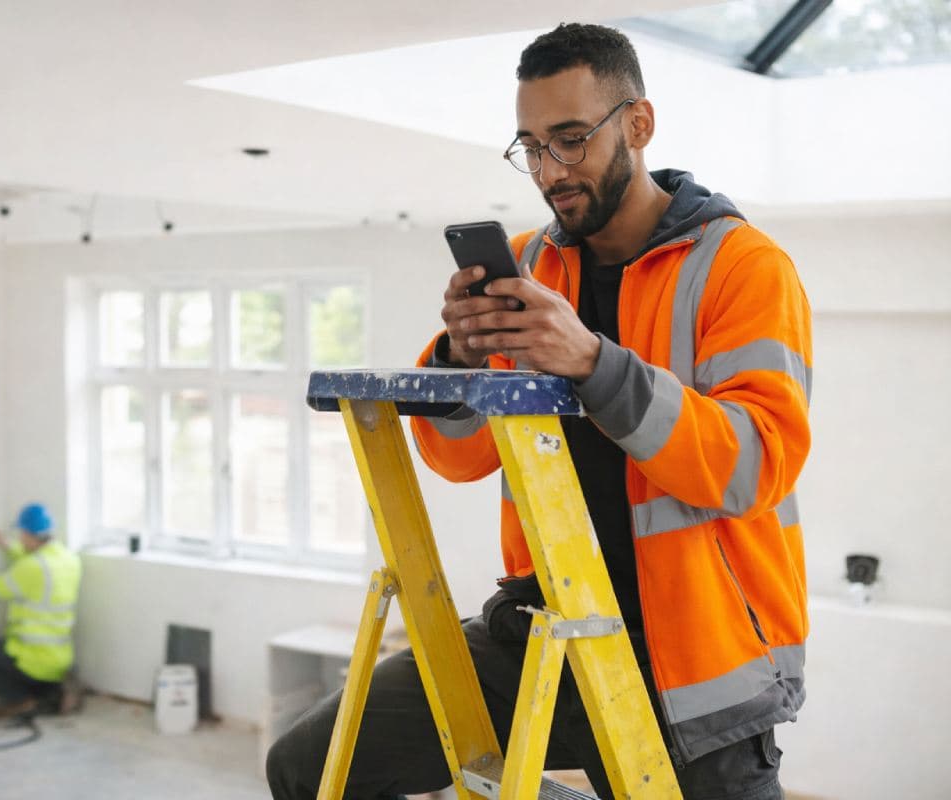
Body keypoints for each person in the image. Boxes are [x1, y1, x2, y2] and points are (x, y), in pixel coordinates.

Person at [267, 22, 811, 800]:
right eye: (530, 146)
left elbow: (751, 466)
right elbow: (458, 458)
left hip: (689, 663)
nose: (549, 169)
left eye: (570, 139)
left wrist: (591, 360)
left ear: (638, 125)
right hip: (542, 633)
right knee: (307, 766)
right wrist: (457, 357)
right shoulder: (529, 262)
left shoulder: (744, 268)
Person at [0, 502, 83, 718]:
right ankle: (51, 691)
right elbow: (34, 563)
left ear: (28, 534)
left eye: (20, 534)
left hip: (32, 659)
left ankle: (20, 701)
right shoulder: (69, 559)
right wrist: (4, 544)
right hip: (59, 660)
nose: (18, 538)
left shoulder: (33, 567)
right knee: (27, 665)